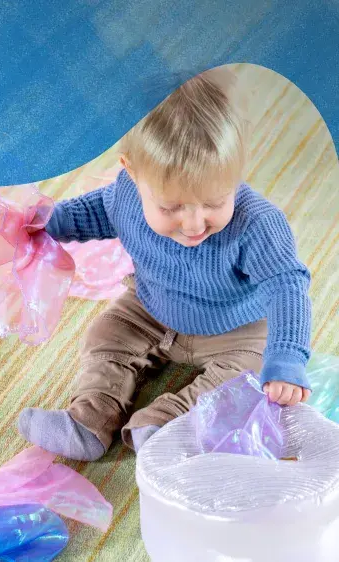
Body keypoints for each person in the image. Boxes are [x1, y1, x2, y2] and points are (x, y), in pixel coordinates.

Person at [18, 67, 312, 461]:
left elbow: (287, 285)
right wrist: (47, 221)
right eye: (171, 207)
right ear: (132, 172)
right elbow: (96, 213)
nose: (194, 223)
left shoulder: (257, 223)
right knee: (106, 335)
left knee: (249, 377)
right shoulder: (126, 194)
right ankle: (90, 417)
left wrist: (287, 357)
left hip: (235, 328)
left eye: (213, 202)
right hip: (151, 308)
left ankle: (170, 425)